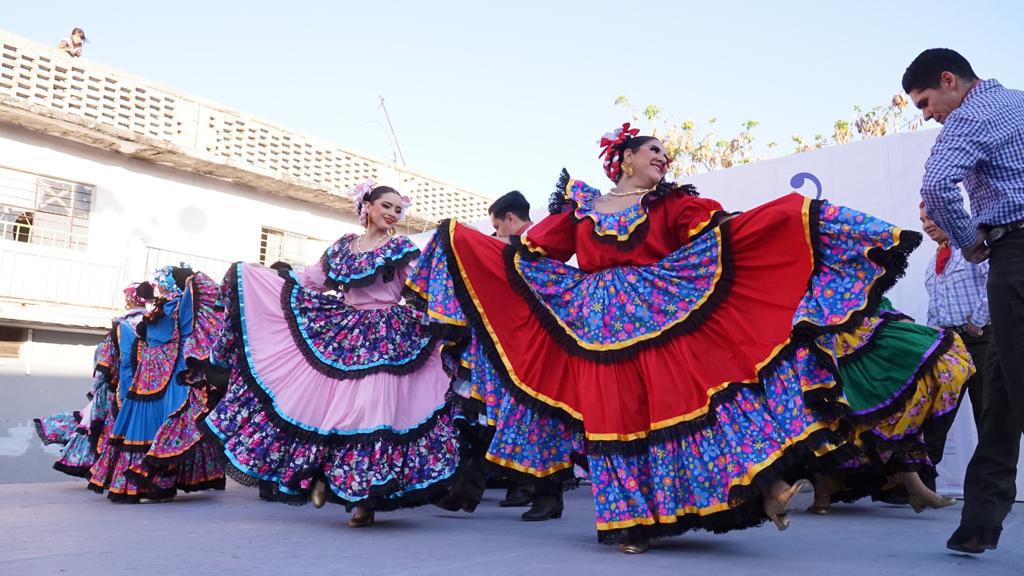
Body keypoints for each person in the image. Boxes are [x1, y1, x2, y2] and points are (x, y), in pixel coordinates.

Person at [408, 122, 921, 553]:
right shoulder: (582, 207)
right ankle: (630, 520)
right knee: (613, 413)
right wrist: (475, 253)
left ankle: (763, 486)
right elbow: (534, 254)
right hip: (594, 322)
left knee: (688, 402)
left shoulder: (672, 204)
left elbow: (718, 232)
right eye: (654, 150)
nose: (663, 158)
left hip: (660, 313)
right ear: (625, 157)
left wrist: (778, 223)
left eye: (665, 153)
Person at [203, 183, 461, 528]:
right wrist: (264, 275)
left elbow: (423, 286)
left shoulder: (401, 247)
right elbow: (312, 279)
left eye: (399, 210)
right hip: (345, 329)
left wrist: (448, 311)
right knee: (332, 408)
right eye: (386, 205)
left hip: (387, 335)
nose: (393, 214)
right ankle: (328, 477)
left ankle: (365, 498)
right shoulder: (342, 247)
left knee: (374, 410)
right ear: (366, 205)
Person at [906, 47, 1024, 555]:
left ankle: (979, 521)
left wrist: (969, 243)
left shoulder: (970, 115)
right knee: (999, 392)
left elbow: (935, 185)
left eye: (925, 101)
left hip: (1015, 252)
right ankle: (979, 524)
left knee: (1015, 388)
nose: (928, 114)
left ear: (949, 81)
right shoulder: (1019, 101)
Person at [435, 190, 566, 520]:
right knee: (493, 419)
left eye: (496, 226)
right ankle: (465, 491)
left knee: (537, 422)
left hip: (537, 349)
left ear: (510, 219)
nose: (495, 234)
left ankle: (545, 498)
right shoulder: (523, 247)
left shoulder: (539, 245)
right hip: (509, 347)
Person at [806, 297, 972, 514]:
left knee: (886, 414)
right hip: (812, 340)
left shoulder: (846, 272)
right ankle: (822, 490)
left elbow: (863, 290)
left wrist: (894, 317)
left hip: (849, 334)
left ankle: (914, 486)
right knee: (822, 413)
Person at [88, 267, 226, 502]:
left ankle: (155, 483)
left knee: (162, 422)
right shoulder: (161, 308)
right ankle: (144, 484)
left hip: (171, 372)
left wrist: (190, 278)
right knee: (149, 421)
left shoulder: (179, 305)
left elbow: (207, 292)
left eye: (162, 279)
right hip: (151, 372)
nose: (158, 283)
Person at [35, 282, 155, 477]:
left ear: (130, 299)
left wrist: (99, 386)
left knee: (104, 427)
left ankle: (108, 472)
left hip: (118, 387)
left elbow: (109, 362)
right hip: (151, 386)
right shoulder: (155, 321)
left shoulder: (123, 324)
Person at [921, 202, 989, 430]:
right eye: (922, 220)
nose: (926, 225)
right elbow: (935, 308)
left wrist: (977, 321)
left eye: (930, 217)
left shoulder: (973, 247)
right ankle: (923, 465)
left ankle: (989, 466)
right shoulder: (933, 264)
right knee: (935, 415)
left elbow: (994, 283)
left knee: (987, 414)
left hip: (981, 342)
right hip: (951, 347)